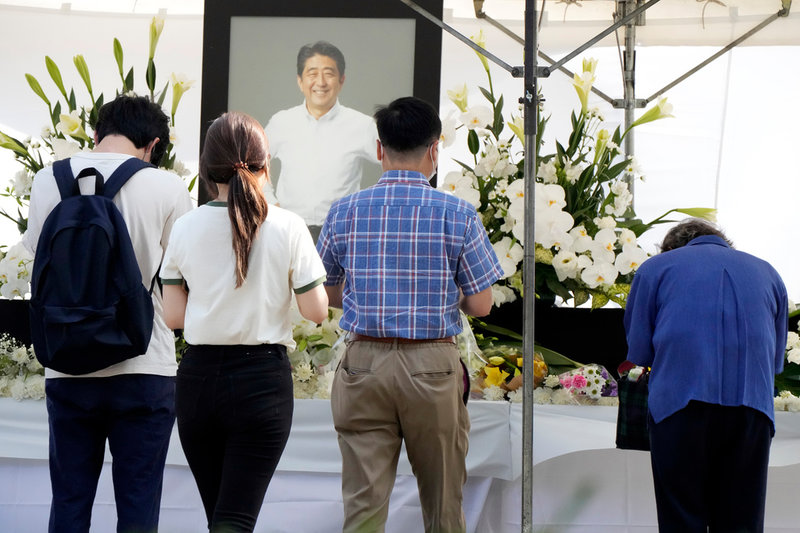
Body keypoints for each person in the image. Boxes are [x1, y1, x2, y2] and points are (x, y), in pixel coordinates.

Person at [316, 96, 504, 533]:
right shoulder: (458, 213)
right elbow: (480, 304)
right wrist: (435, 296)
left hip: (362, 364)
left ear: (379, 149)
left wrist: (370, 297)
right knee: (443, 506)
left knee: (363, 508)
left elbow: (325, 290)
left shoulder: (344, 211)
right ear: (435, 149)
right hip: (431, 369)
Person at [22, 95, 193, 533]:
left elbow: (38, 254)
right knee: (138, 507)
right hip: (144, 364)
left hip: (67, 364)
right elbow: (180, 270)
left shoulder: (47, 181)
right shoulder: (167, 187)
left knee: (69, 503)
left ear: (95, 134)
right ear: (152, 144)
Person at [160, 111, 328, 532]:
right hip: (262, 382)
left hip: (198, 381)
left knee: (221, 514)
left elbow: (173, 317)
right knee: (234, 519)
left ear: (205, 168)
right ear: (265, 164)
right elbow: (316, 311)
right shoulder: (288, 226)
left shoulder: (185, 227)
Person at [624, 218, 788, 533]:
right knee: (742, 523)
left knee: (682, 520)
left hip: (679, 405)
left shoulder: (656, 268)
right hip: (752, 408)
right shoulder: (768, 272)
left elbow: (639, 351)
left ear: (671, 248)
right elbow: (775, 360)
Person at [264, 40, 378, 241]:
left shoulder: (362, 125)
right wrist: (272, 205)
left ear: (341, 80)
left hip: (341, 233)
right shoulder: (281, 122)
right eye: (312, 74)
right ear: (300, 81)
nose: (321, 82)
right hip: (288, 232)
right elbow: (252, 166)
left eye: (329, 73)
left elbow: (394, 161)